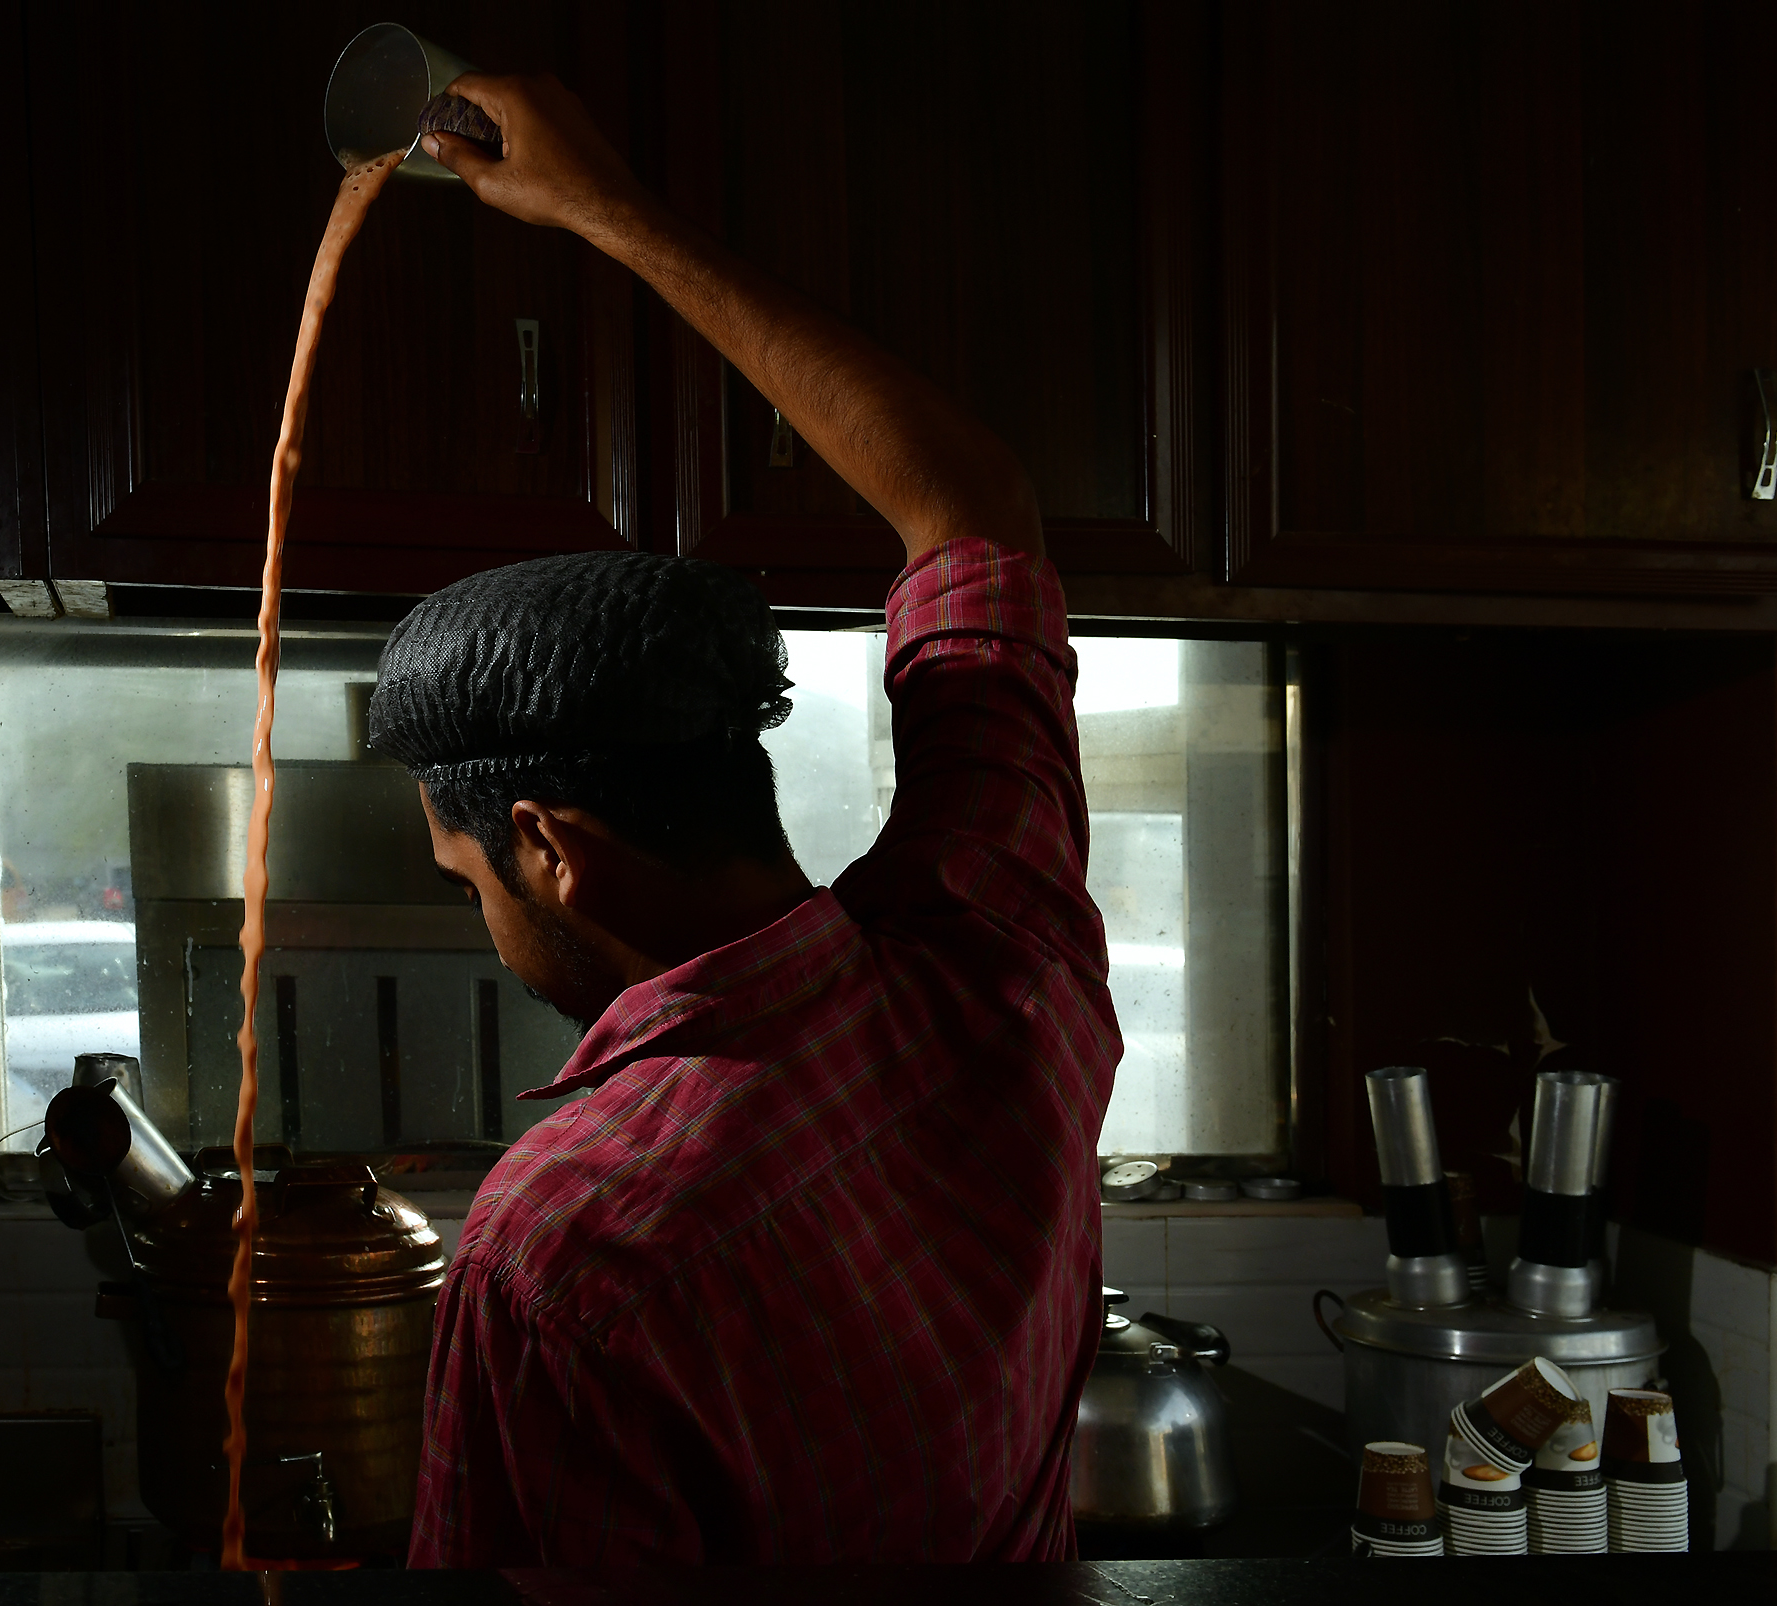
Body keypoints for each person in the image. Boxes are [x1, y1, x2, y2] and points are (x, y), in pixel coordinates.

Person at [367, 70, 1123, 1567]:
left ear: (551, 849)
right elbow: (973, 505)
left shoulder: (564, 1247)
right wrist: (608, 210)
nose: (483, 916)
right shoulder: (997, 950)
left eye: (469, 878)